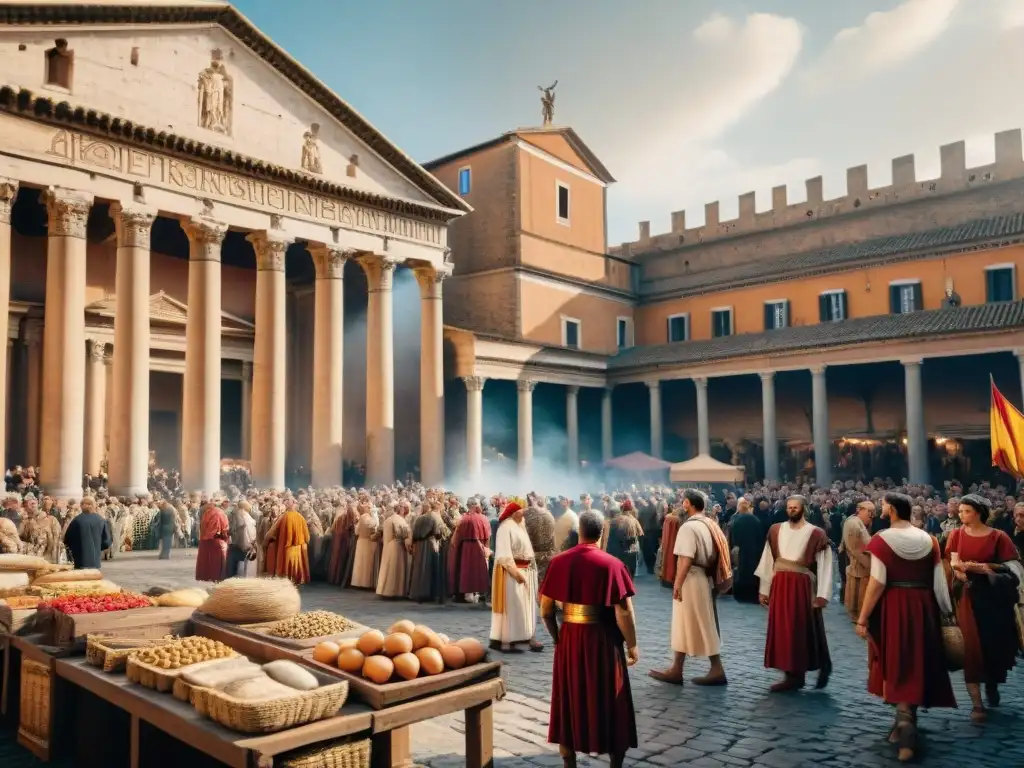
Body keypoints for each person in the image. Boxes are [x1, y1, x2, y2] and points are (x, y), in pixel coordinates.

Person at [855, 492, 955, 763]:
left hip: (894, 606)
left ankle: (906, 729)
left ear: (892, 510)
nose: (882, 509)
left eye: (884, 506)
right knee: (917, 661)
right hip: (923, 606)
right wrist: (946, 612)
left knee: (898, 661)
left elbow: (877, 581)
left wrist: (863, 617)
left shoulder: (881, 539)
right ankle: (905, 722)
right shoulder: (929, 539)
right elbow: (938, 582)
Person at [540, 509, 639, 768]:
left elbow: (546, 610)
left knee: (570, 696)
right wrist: (633, 645)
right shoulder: (613, 565)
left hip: (570, 639)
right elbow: (623, 611)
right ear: (601, 532)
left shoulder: (558, 562)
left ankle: (569, 763)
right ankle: (615, 763)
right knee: (609, 697)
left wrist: (557, 638)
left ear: (579, 532)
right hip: (604, 640)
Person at [946, 493, 1022, 722]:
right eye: (959, 511)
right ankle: (977, 704)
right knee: (971, 648)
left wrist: (984, 567)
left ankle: (991, 684)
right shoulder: (956, 534)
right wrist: (958, 571)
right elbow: (951, 561)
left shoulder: (998, 537)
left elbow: (1013, 566)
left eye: (966, 510)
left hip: (993, 598)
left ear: (978, 512)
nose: (961, 514)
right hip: (967, 595)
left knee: (993, 646)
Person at [650, 489, 728, 686]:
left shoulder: (689, 527)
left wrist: (677, 583)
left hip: (691, 578)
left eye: (682, 502)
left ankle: (716, 668)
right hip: (701, 577)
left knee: (703, 622)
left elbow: (685, 558)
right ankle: (677, 668)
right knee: (684, 622)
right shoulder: (710, 523)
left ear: (687, 503)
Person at [756, 494, 834, 692]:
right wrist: (764, 589)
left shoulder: (816, 533)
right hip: (780, 584)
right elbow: (768, 561)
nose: (791, 510)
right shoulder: (775, 530)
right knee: (783, 628)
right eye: (789, 507)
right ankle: (789, 673)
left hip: (801, 587)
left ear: (804, 509)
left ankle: (797, 673)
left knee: (799, 628)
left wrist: (822, 595)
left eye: (795, 507)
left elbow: (825, 565)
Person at [490, 498, 543, 652]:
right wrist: (516, 574)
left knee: (527, 608)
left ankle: (527, 637)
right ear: (513, 512)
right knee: (514, 606)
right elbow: (504, 555)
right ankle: (509, 640)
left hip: (528, 571)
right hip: (513, 573)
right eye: (521, 509)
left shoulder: (521, 525)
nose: (524, 511)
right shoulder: (505, 528)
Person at [449, 497, 492, 601]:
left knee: (466, 571)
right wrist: (487, 548)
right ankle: (481, 593)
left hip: (465, 549)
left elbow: (456, 538)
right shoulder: (484, 518)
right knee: (479, 571)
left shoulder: (463, 518)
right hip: (480, 547)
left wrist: (454, 544)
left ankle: (465, 594)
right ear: (476, 505)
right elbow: (488, 536)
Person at [728, 497, 765, 603]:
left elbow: (733, 536)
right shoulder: (756, 520)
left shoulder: (736, 520)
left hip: (740, 550)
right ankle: (752, 595)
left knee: (741, 572)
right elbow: (760, 537)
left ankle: (741, 595)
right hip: (754, 551)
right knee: (752, 573)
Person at [842, 500, 874, 621]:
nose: (871, 517)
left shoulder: (858, 522)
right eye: (869, 513)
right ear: (860, 511)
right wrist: (868, 564)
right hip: (859, 564)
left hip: (861, 563)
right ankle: (858, 615)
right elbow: (855, 548)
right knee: (857, 591)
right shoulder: (853, 523)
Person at [62, 497, 111, 570]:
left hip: (80, 559)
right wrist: (97, 547)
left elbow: (67, 539)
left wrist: (76, 548)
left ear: (87, 505)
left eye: (81, 504)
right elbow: (107, 542)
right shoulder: (101, 520)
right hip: (95, 560)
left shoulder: (77, 520)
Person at [266, 505, 311, 584]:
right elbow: (306, 533)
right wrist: (306, 541)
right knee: (298, 563)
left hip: (287, 546)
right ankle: (299, 578)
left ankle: (288, 578)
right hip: (299, 546)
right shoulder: (301, 517)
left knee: (287, 563)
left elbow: (273, 530)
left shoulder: (283, 517)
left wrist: (266, 541)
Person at [376, 501, 412, 598]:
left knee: (387, 567)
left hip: (388, 546)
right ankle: (395, 591)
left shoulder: (388, 520)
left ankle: (385, 590)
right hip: (397, 546)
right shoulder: (399, 520)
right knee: (396, 569)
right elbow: (404, 533)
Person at [195, 501, 229, 582]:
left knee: (207, 561)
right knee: (218, 563)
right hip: (217, 540)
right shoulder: (220, 513)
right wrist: (225, 537)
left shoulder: (206, 513)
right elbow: (224, 528)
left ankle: (208, 577)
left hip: (205, 541)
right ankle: (218, 579)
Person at [350, 504, 379, 589]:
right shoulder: (369, 518)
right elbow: (373, 525)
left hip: (360, 541)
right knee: (366, 563)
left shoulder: (361, 517)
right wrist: (376, 517)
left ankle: (358, 582)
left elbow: (356, 531)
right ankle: (365, 583)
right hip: (367, 542)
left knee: (359, 563)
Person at [226, 501, 256, 578]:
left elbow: (230, 530)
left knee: (233, 568)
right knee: (241, 568)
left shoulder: (235, 516)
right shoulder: (247, 518)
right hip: (243, 545)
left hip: (236, 544)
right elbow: (251, 534)